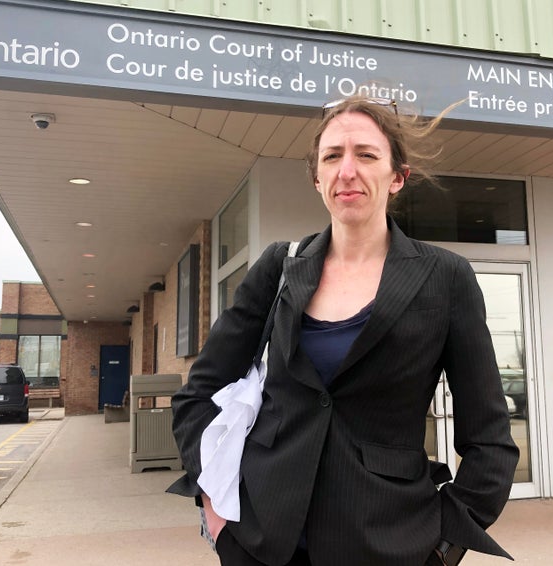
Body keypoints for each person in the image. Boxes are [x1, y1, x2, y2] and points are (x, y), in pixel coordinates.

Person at [168, 95, 519, 566]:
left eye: (366, 155)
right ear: (317, 177)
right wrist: (215, 504)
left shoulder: (445, 277)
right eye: (332, 156)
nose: (347, 170)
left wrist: (443, 547)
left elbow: (489, 436)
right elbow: (200, 395)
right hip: (260, 540)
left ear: (397, 177)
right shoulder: (279, 266)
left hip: (388, 542)